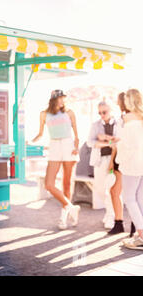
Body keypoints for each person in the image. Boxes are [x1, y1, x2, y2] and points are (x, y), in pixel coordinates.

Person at [32, 90, 81, 230]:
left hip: (68, 145)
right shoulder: (44, 114)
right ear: (53, 99)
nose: (62, 100)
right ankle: (72, 208)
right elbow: (40, 134)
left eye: (63, 98)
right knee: (49, 184)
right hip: (54, 145)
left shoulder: (70, 112)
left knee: (66, 183)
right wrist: (29, 142)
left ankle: (63, 218)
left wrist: (76, 147)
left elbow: (77, 135)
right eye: (59, 98)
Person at [114, 89, 143, 250]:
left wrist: (118, 148)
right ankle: (140, 235)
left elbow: (128, 145)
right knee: (140, 198)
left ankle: (142, 236)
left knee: (129, 198)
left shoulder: (128, 118)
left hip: (132, 164)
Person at [87, 101, 122, 233]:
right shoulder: (95, 125)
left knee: (114, 190)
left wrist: (104, 138)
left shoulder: (119, 123)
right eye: (99, 112)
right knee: (100, 189)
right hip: (100, 160)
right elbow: (90, 142)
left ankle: (111, 215)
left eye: (104, 112)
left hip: (116, 161)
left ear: (111, 110)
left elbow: (120, 141)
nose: (102, 115)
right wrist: (109, 142)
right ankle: (109, 212)